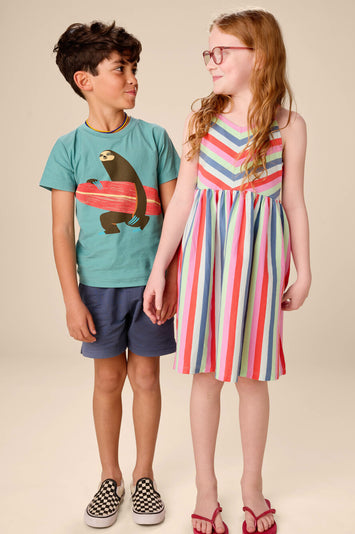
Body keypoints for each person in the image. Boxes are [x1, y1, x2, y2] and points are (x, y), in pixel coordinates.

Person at [143, 9, 311, 534]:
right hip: (205, 264)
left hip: (259, 266)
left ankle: (252, 486)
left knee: (252, 377)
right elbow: (183, 201)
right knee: (206, 375)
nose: (211, 62)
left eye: (223, 52)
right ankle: (206, 488)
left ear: (259, 56)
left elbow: (294, 201)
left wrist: (304, 270)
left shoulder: (289, 126)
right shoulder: (202, 121)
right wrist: (160, 269)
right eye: (208, 52)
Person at [40, 21, 180, 529]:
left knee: (146, 377)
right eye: (120, 69)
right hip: (97, 286)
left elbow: (176, 217)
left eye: (134, 68)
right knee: (107, 380)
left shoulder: (156, 138)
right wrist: (71, 299)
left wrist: (172, 278)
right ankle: (110, 476)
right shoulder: (68, 148)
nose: (133, 78)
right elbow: (62, 231)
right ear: (86, 80)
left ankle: (144, 475)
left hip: (151, 284)